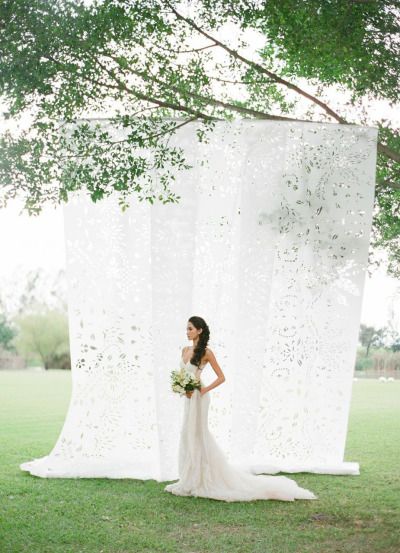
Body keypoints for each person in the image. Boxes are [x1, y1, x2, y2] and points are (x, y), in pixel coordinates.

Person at [164, 315, 318, 502]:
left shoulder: (206, 352)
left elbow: (221, 377)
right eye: (186, 328)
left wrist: (203, 390)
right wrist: (180, 388)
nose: (187, 332)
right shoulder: (185, 350)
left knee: (198, 433)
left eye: (190, 328)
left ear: (199, 330)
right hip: (188, 397)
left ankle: (202, 478)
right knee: (186, 433)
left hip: (199, 397)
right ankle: (188, 477)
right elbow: (182, 375)